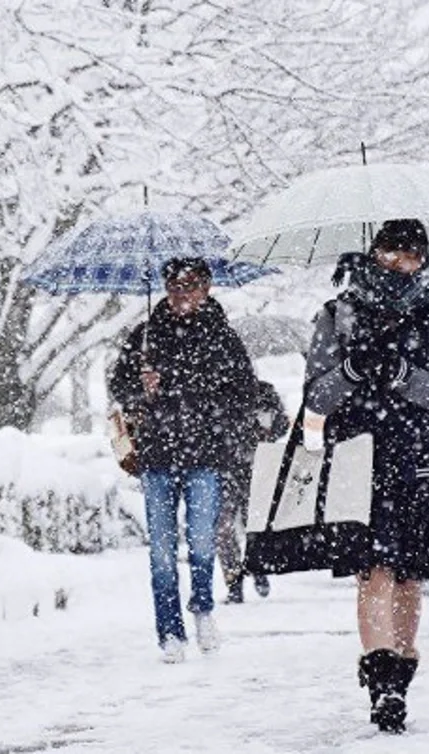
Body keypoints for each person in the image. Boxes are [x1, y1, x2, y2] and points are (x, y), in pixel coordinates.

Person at [303, 219, 429, 733]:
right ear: (374, 253)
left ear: (424, 257)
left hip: (419, 456)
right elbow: (315, 395)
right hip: (359, 456)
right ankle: (382, 685)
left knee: (409, 574)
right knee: (372, 571)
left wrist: (404, 376)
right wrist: (352, 370)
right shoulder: (339, 313)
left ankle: (401, 672)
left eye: (411, 255)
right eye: (391, 254)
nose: (401, 264)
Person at [107, 256, 258, 663]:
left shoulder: (223, 338)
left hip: (206, 456)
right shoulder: (144, 336)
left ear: (207, 288)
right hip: (157, 455)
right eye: (174, 286)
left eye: (190, 286)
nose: (181, 294)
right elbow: (118, 386)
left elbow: (246, 393)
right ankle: (169, 633)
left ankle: (204, 608)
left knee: (203, 542)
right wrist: (142, 387)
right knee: (160, 550)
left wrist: (204, 402)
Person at [216, 379, 290, 604]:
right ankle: (235, 582)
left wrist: (267, 427)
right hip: (225, 467)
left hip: (253, 466)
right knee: (225, 528)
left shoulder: (263, 391)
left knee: (251, 523)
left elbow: (282, 424)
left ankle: (257, 569)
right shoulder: (213, 391)